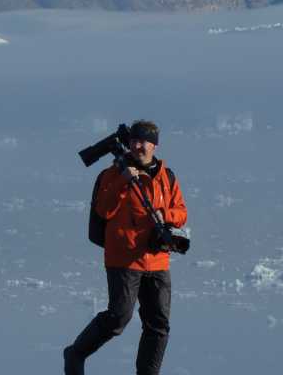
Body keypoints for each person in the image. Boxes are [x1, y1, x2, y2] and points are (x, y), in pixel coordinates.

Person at [63, 121, 186, 375]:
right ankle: (76, 352)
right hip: (123, 259)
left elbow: (181, 212)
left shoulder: (167, 176)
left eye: (144, 142)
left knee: (158, 325)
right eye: (135, 141)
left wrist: (166, 214)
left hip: (157, 260)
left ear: (155, 145)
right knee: (119, 317)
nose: (139, 146)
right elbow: (103, 209)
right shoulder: (111, 175)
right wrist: (122, 181)